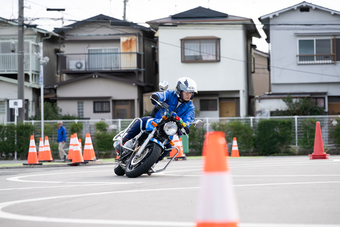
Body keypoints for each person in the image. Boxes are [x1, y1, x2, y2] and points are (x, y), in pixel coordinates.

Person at [116, 77, 197, 159]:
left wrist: (186, 126)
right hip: (158, 120)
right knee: (142, 121)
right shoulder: (170, 94)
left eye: (191, 93)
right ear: (180, 90)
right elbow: (162, 95)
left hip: (169, 128)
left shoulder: (190, 107)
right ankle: (124, 140)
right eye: (187, 92)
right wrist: (156, 96)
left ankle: (152, 164)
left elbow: (189, 118)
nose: (189, 95)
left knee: (168, 148)